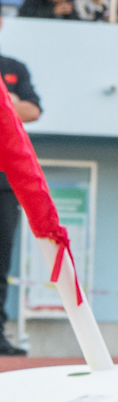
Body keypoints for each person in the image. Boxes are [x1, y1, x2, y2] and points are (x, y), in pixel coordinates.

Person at [0, 30, 40, 354]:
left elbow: (34, 111)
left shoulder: (14, 67)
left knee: (0, 263)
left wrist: (13, 104)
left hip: (4, 182)